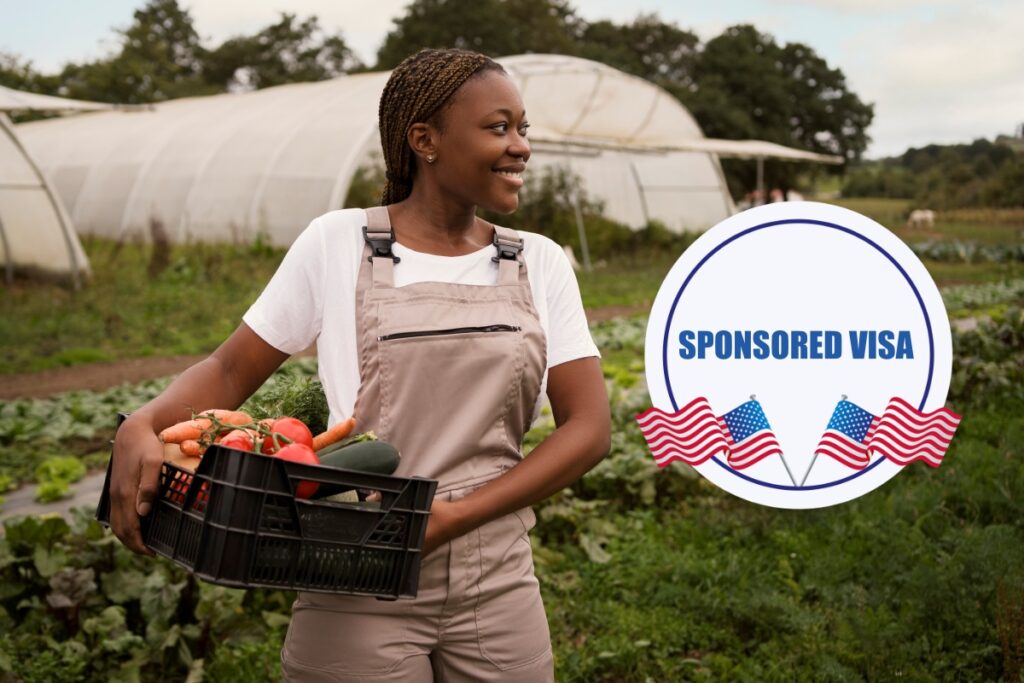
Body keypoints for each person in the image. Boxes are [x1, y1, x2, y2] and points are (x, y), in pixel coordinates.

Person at [109, 47, 611, 681]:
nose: (521, 147)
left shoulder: (538, 261)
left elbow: (590, 428)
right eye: (497, 127)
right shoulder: (338, 241)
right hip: (353, 563)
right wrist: (142, 423)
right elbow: (232, 370)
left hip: (497, 574)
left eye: (522, 128)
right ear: (424, 139)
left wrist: (451, 519)